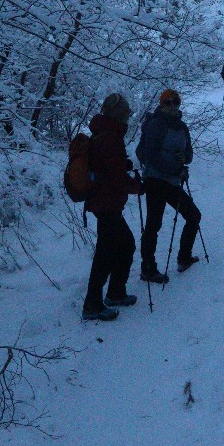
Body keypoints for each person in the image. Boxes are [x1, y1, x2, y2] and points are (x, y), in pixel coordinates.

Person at [82, 92, 144, 321]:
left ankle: (114, 292)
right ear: (120, 115)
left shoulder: (104, 132)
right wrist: (137, 187)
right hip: (106, 201)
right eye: (126, 114)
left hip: (103, 201)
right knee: (110, 251)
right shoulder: (111, 138)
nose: (128, 118)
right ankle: (93, 304)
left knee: (121, 246)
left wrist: (122, 164)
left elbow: (108, 167)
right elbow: (115, 177)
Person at [136, 89, 201, 283]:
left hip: (171, 181)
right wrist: (175, 170)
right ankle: (149, 268)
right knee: (154, 224)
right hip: (156, 180)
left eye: (175, 102)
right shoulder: (156, 124)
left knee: (192, 215)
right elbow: (150, 155)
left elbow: (189, 153)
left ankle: (183, 258)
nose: (172, 106)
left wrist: (184, 159)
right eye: (167, 102)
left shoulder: (182, 127)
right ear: (161, 104)